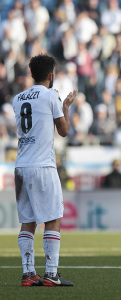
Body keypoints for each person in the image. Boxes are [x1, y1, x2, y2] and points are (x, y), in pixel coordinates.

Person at [12, 54, 77, 287]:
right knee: (53, 219)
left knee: (27, 221)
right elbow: (64, 131)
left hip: (21, 166)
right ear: (51, 75)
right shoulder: (51, 96)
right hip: (43, 165)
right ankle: (51, 274)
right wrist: (66, 107)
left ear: (32, 74)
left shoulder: (17, 99)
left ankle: (28, 273)